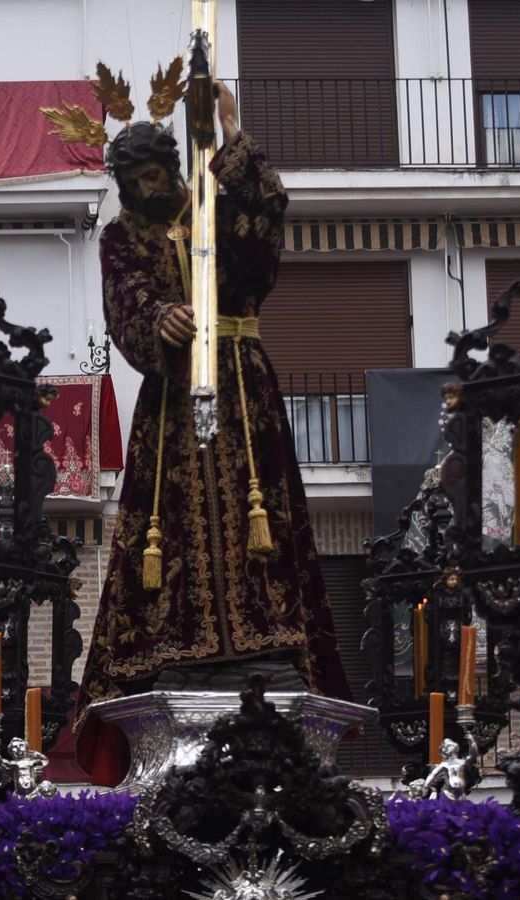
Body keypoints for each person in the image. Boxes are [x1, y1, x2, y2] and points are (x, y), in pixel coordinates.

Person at [76, 83, 351, 783]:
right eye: (137, 181)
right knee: (174, 523)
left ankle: (266, 637)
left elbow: (260, 243)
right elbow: (126, 307)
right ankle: (183, 642)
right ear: (126, 188)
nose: (152, 188)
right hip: (173, 399)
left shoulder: (210, 207)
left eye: (159, 174)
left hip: (241, 387)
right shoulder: (121, 238)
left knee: (256, 512)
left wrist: (231, 136)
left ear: (174, 169)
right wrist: (158, 320)